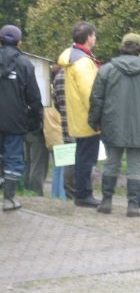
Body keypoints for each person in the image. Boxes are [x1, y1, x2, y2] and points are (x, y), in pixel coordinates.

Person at [89, 33, 140, 217]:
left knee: (111, 163)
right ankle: (133, 205)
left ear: (122, 47)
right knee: (136, 168)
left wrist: (94, 121)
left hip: (112, 125)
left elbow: (96, 99)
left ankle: (106, 201)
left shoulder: (107, 70)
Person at [57, 21, 101, 208]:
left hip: (79, 117)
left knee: (82, 156)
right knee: (86, 159)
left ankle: (82, 193)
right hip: (87, 119)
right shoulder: (82, 61)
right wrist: (97, 117)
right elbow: (89, 93)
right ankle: (84, 195)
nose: (95, 38)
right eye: (94, 35)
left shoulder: (74, 58)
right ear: (89, 38)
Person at [0, 24, 43, 210]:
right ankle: (9, 199)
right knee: (13, 159)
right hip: (15, 121)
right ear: (19, 43)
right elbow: (34, 97)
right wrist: (36, 120)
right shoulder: (25, 65)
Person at [52, 66, 76, 199]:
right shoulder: (79, 73)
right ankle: (77, 192)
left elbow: (56, 102)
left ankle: (67, 193)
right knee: (81, 159)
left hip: (66, 125)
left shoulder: (59, 76)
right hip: (80, 125)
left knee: (68, 162)